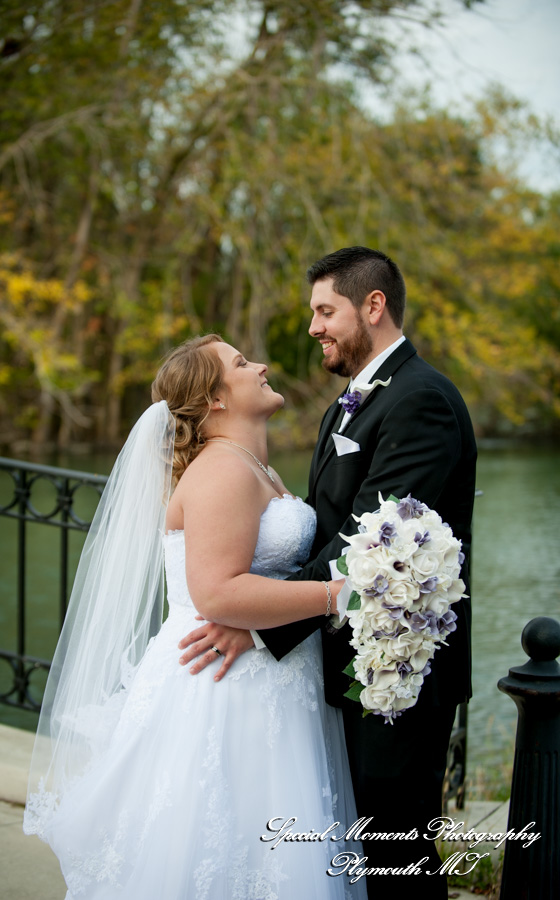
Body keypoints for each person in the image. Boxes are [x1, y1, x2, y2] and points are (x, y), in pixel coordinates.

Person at [179, 248, 478, 900]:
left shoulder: (420, 401)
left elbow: (372, 541)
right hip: (343, 661)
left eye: (324, 310)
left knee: (395, 849)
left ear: (373, 306)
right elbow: (330, 525)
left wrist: (260, 626)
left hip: (398, 673)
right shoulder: (354, 400)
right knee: (360, 847)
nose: (313, 326)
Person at [23, 334, 368, 900]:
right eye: (240, 362)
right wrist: (340, 595)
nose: (259, 365)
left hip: (263, 676)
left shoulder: (255, 468)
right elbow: (217, 592)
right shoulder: (223, 471)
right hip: (224, 687)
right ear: (213, 399)